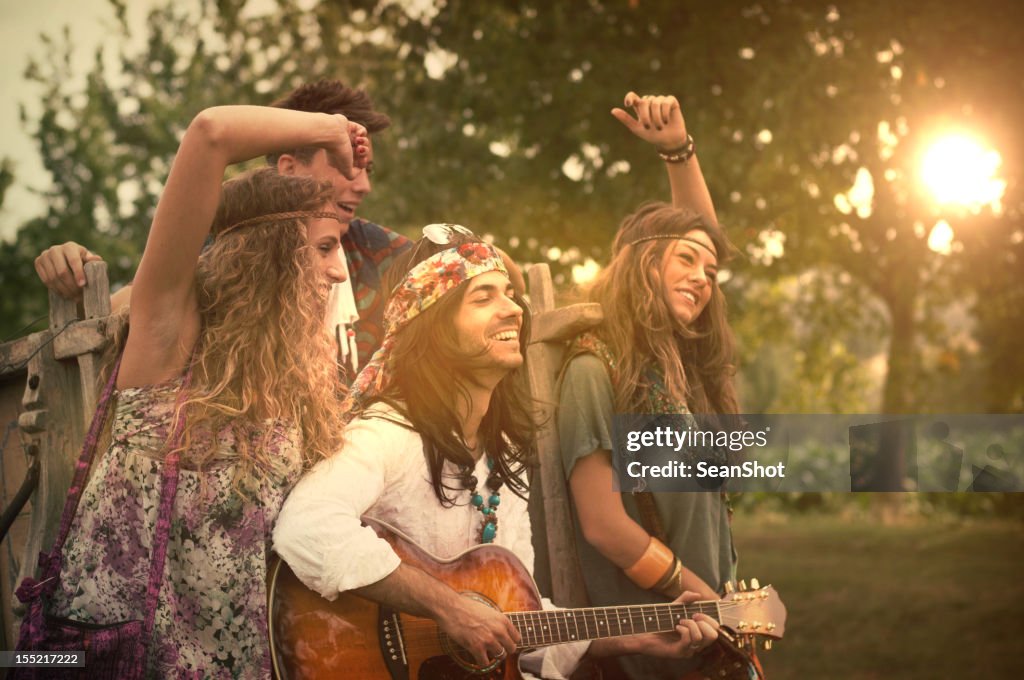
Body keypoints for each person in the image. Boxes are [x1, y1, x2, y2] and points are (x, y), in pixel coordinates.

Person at [273, 226, 720, 678]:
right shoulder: (387, 433)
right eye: (483, 297)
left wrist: (638, 638)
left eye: (508, 293)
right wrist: (448, 607)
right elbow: (306, 527)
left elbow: (515, 618)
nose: (512, 310)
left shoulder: (498, 455)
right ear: (433, 324)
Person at [46, 104, 367, 677]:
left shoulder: (297, 388)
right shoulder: (170, 341)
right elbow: (209, 133)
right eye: (323, 247)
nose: (340, 271)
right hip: (103, 662)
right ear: (269, 254)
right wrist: (329, 129)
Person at [33, 79, 411, 373]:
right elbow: (118, 312)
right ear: (289, 170)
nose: (364, 185)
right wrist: (77, 275)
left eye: (367, 169)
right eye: (346, 163)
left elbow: (456, 273)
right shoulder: (226, 251)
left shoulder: (382, 253)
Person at [556, 93, 743, 678]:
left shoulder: (675, 373)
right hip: (652, 651)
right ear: (643, 265)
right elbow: (605, 527)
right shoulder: (595, 371)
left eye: (710, 273)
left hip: (712, 633)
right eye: (684, 260)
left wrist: (681, 153)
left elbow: (703, 236)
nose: (702, 279)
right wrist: (706, 599)